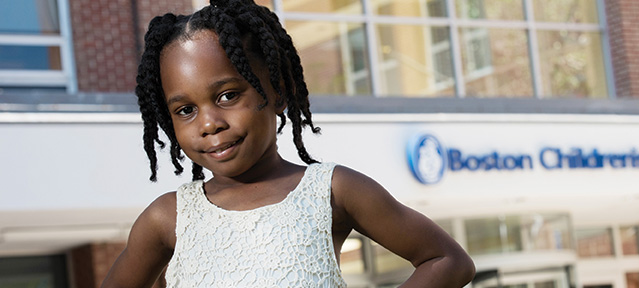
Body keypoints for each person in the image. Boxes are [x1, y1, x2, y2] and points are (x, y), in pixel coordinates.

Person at [100, 0, 475, 287]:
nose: (209, 123)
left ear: (278, 91)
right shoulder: (168, 218)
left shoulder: (333, 190)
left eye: (228, 95)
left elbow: (447, 261)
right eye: (184, 110)